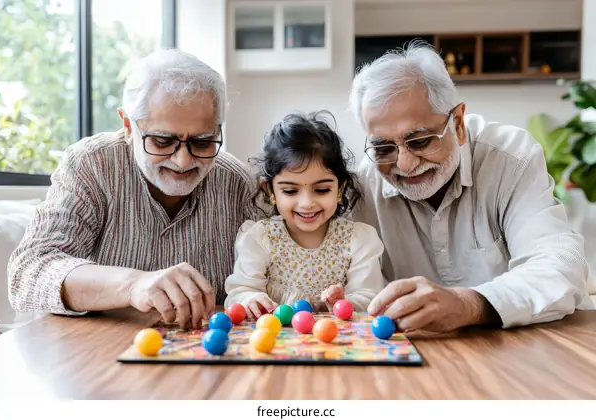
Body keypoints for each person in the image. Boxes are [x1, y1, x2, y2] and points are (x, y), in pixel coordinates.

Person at [349, 42, 594, 335]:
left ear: (458, 123)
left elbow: (561, 266)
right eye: (383, 147)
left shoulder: (510, 158)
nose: (405, 163)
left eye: (420, 141)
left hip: (519, 349)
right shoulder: (364, 184)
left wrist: (469, 304)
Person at [8, 49, 256, 330]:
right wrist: (133, 284)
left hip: (207, 356)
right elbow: (27, 274)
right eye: (162, 141)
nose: (183, 161)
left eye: (202, 142)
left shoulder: (238, 184)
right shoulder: (92, 165)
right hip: (93, 355)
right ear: (128, 126)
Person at [224, 111, 385, 319]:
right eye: (290, 191)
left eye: (322, 190)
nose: (307, 203)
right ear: (270, 191)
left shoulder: (359, 240)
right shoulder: (260, 238)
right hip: (275, 344)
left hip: (334, 345)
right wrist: (250, 299)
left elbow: (370, 298)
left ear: (340, 188)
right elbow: (239, 291)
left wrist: (343, 302)